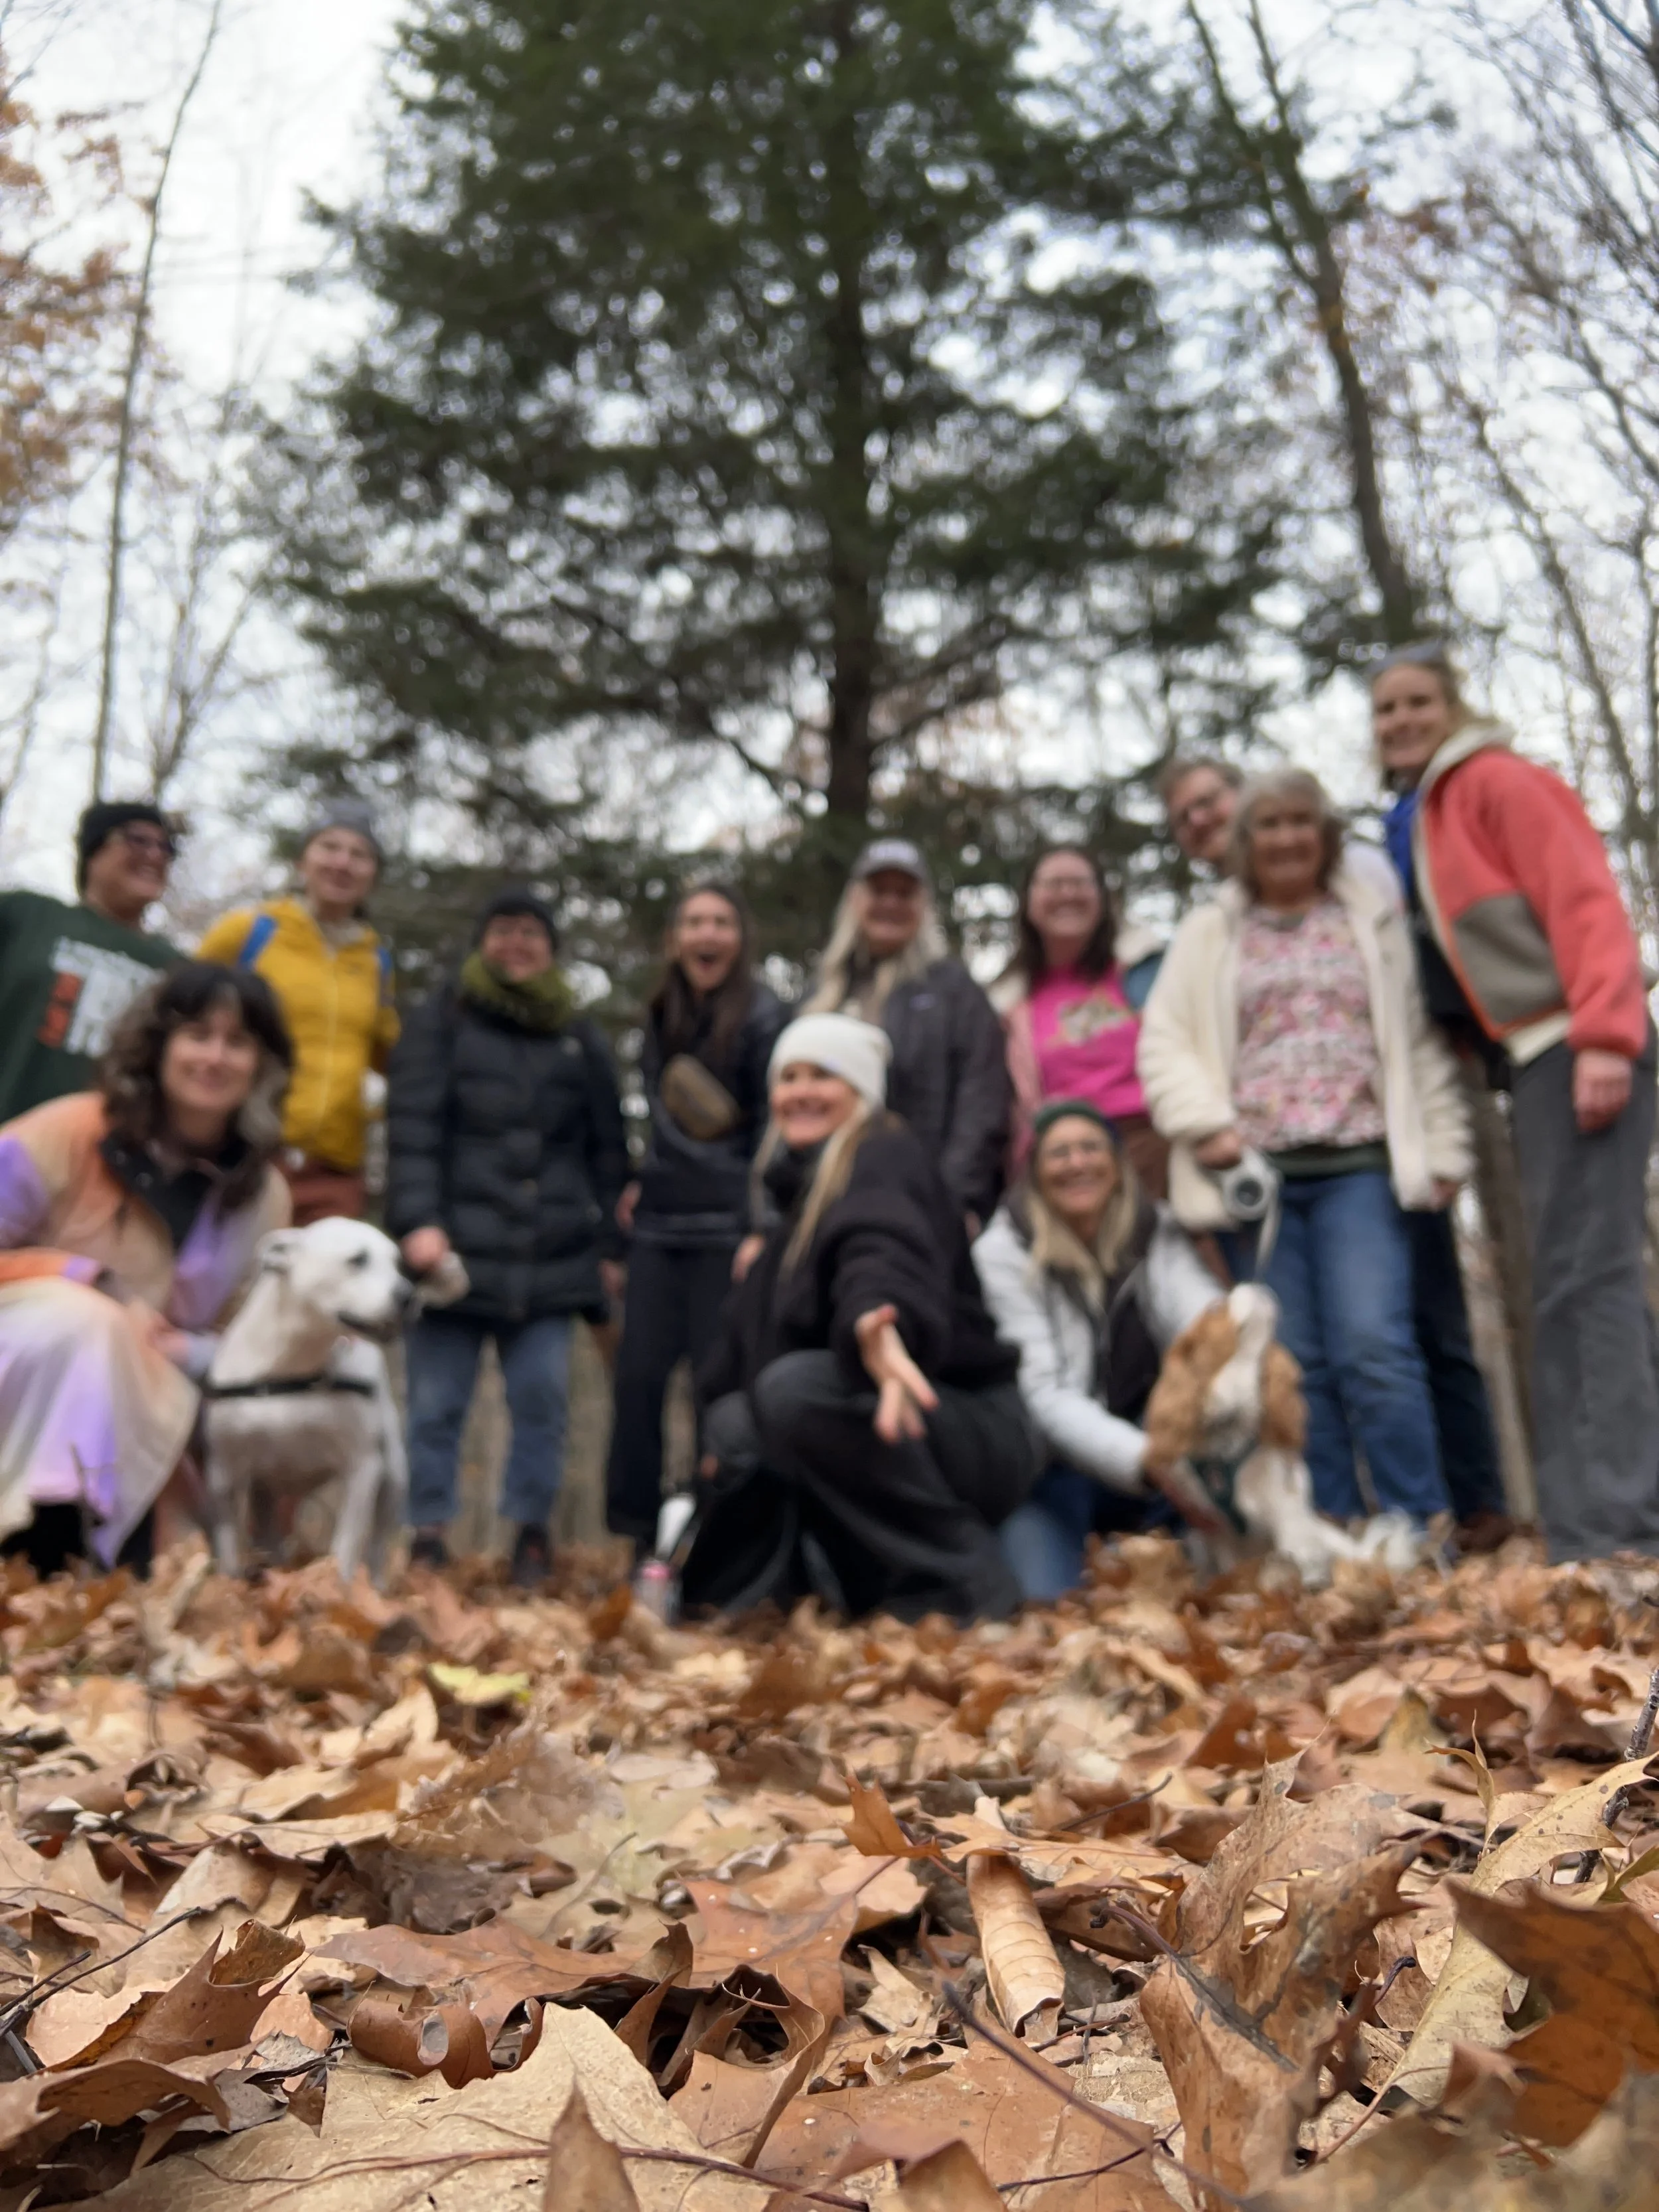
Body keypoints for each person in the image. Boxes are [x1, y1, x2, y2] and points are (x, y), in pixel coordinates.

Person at [1157, 750, 1507, 1530]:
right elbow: (1166, 1042)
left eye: (1298, 822)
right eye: (1268, 825)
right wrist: (1205, 1127)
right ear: (1247, 840)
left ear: (1322, 833)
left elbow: (1416, 1047)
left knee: (1374, 1347)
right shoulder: (1211, 932)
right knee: (1294, 1366)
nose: (1284, 839)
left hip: (1361, 1168)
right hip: (1260, 1176)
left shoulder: (1366, 920)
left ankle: (1419, 1527)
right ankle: (1328, 1536)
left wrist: (1445, 1154)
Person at [1371, 643, 1659, 1561]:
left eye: (1419, 701)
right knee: (1572, 1284)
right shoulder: (1421, 817)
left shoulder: (1497, 782)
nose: (1402, 719)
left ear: (1454, 707)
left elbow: (1583, 900)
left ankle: (1616, 1527)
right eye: (1385, 709)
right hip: (1531, 1060)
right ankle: (1596, 1518)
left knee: (1589, 1280)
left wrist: (1606, 1034)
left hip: (1577, 1042)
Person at [680, 1011, 1038, 1622]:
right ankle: (818, 1594)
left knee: (796, 1392)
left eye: (823, 1074)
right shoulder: (792, 1209)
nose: (801, 1091)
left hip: (957, 1414)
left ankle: (970, 1585)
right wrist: (710, 1441)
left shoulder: (885, 1156)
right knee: (741, 1418)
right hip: (895, 1420)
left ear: (862, 1090)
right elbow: (740, 1348)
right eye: (788, 1076)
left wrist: (878, 1321)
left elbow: (881, 1246)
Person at [0, 962, 291, 1577]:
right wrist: (81, 1276)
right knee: (87, 1321)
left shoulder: (264, 1197)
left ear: (262, 1067)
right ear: (159, 1045)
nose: (214, 1057)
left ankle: (104, 1554)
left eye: (237, 1042)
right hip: (21, 1362)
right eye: (197, 1035)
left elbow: (258, 1341)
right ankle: (43, 1537)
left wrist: (191, 1349)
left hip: (157, 1405)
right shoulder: (70, 1129)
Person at [386, 888, 628, 1587]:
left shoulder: (579, 1039)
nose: (516, 944)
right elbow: (413, 1132)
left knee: (543, 1402)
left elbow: (608, 1152)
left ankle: (531, 1536)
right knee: (435, 1406)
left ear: (551, 949)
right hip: (453, 1257)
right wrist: (417, 1223)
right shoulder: (440, 1023)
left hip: (551, 1259)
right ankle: (427, 1535)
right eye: (502, 931)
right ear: (481, 942)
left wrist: (610, 1245)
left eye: (531, 933)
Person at [974, 1100, 1226, 1599]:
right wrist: (1149, 1461)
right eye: (1059, 1153)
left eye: (1091, 1148)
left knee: (1214, 1593)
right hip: (1050, 1472)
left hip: (1159, 1466)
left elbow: (1205, 1326)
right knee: (1047, 1602)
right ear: (1035, 1172)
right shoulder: (1001, 1252)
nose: (1077, 1164)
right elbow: (1042, 1395)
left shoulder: (1154, 1229)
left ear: (1116, 1162)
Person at [605, 884, 787, 1554]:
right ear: (674, 939)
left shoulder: (766, 1015)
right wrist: (638, 1181)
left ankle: (716, 1539)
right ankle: (634, 1537)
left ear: (739, 939)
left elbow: (774, 1129)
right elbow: (655, 1120)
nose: (706, 935)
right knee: (638, 1383)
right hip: (658, 1227)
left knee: (718, 1390)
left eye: (720, 922)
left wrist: (762, 1225)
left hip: (727, 1231)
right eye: (693, 922)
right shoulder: (659, 1013)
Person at [197, 799, 397, 1224]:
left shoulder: (376, 962)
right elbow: (179, 1012)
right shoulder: (251, 931)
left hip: (336, 1172)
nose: (343, 863)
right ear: (302, 860)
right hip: (245, 1151)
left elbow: (388, 1053)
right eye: (329, 847)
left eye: (360, 855)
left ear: (373, 875)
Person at [802, 839, 1010, 1227]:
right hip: (825, 1202)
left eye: (905, 893)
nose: (891, 904)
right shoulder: (821, 995)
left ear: (924, 906)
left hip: (923, 1201)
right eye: (879, 891)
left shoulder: (954, 991)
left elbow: (981, 1103)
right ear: (854, 899)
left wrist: (953, 1200)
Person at [989, 846, 1167, 1190]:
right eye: (1054, 884)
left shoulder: (1145, 968)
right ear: (1028, 901)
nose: (1068, 894)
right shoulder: (1008, 1002)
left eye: (1081, 883)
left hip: (1152, 1139)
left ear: (1102, 897)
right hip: (1063, 1156)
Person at [0, 802, 182, 1127]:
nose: (156, 855)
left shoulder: (177, 968)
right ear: (93, 851)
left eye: (166, 846)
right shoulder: (26, 916)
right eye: (138, 840)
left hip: (108, 1160)